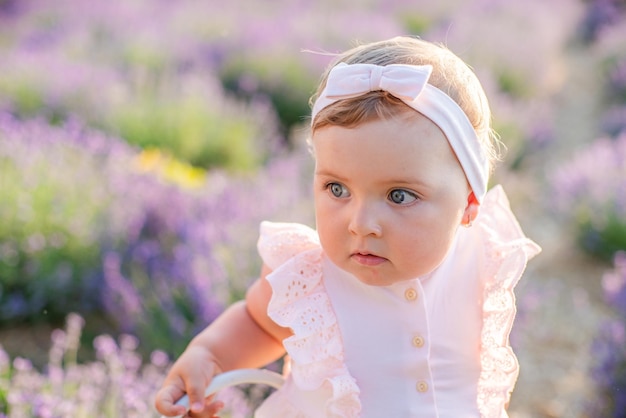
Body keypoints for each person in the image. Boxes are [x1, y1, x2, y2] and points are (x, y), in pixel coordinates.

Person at [155, 35, 541, 418]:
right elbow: (259, 323)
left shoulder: (480, 260)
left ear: (470, 202)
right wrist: (208, 356)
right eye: (337, 188)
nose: (361, 225)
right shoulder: (311, 281)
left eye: (399, 196)